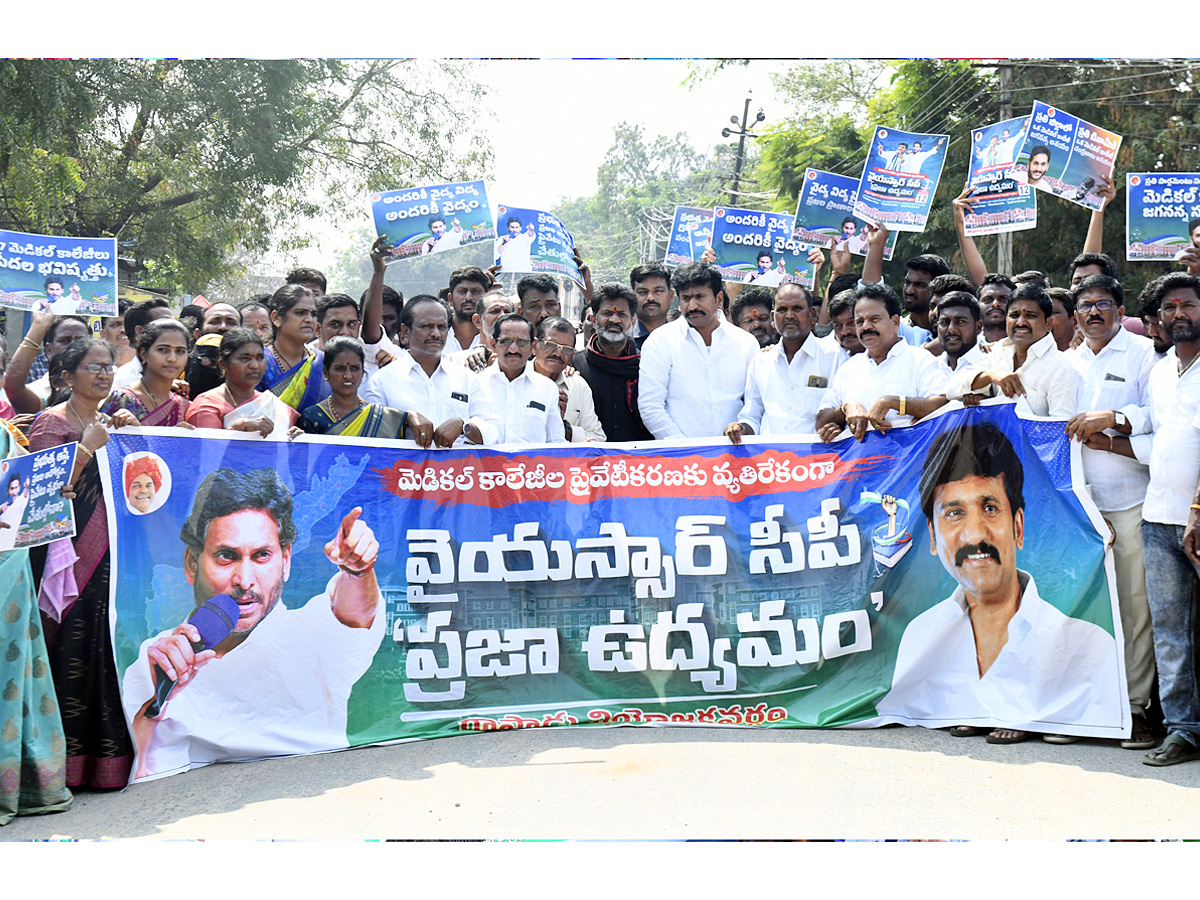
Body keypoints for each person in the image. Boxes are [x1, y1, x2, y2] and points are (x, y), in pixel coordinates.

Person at [123, 467, 384, 778]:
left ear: (285, 561)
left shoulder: (313, 635)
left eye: (261, 555)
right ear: (192, 564)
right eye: (226, 556)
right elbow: (142, 771)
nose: (244, 581)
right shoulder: (154, 660)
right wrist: (156, 706)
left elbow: (353, 615)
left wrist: (357, 570)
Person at [876, 420, 1121, 738]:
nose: (975, 534)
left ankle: (1017, 716)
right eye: (954, 513)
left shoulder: (1087, 643)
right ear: (933, 536)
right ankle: (972, 710)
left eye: (990, 508)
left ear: (1018, 526)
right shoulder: (920, 635)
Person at [1058, 274, 1158, 749]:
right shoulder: (1066, 363)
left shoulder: (1144, 356)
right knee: (1083, 609)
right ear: (1075, 315)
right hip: (1080, 511)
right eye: (1084, 306)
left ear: (1120, 310)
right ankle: (1084, 707)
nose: (1093, 313)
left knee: (1135, 610)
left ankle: (1135, 708)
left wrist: (1112, 423)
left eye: (1102, 304)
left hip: (1132, 504)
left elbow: (1156, 422)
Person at [29, 337, 132, 788]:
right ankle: (65, 767)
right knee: (73, 653)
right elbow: (40, 499)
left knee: (104, 654)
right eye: (93, 367)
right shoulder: (52, 423)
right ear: (67, 377)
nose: (105, 374)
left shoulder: (109, 419)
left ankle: (106, 763)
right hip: (67, 560)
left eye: (109, 367)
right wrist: (88, 447)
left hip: (111, 556)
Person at [0, 413, 72, 825]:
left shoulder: (6, 435)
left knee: (12, 671)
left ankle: (24, 783)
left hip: (8, 570)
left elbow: (24, 495)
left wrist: (51, 495)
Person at [1140, 273, 1200, 766]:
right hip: (1158, 517)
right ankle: (1183, 729)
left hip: (1198, 518)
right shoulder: (1160, 371)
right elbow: (1156, 435)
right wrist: (1109, 426)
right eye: (1170, 307)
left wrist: (1198, 507)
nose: (1179, 313)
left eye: (1188, 304)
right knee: (1170, 630)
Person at [638, 262, 760, 440]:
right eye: (686, 298)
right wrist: (685, 449)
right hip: (681, 459)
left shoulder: (745, 342)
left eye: (700, 297)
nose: (692, 306)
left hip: (736, 455)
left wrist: (743, 429)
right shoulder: (660, 341)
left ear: (719, 299)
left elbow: (754, 404)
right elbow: (650, 405)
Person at [815, 283, 948, 443]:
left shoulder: (920, 360)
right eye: (859, 321)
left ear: (895, 322)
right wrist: (845, 409)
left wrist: (894, 403)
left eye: (874, 319)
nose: (866, 327)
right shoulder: (850, 368)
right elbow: (821, 421)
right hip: (860, 465)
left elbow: (944, 405)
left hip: (909, 464)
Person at [363, 296, 498, 448]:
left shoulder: (466, 378)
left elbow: (492, 432)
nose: (435, 333)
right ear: (406, 332)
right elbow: (370, 431)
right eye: (426, 326)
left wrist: (464, 426)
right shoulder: (382, 380)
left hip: (456, 470)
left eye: (441, 327)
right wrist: (405, 419)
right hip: (402, 469)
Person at [726, 281, 843, 443]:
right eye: (782, 310)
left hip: (821, 461)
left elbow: (845, 411)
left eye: (797, 308)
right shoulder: (761, 362)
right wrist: (741, 429)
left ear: (813, 315)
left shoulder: (835, 356)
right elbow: (752, 416)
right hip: (772, 462)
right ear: (773, 318)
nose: (789, 316)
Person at [948, 284, 1080, 418]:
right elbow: (952, 389)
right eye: (1014, 315)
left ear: (1048, 324)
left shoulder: (1061, 368)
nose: (1021, 322)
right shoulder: (999, 352)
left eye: (1030, 315)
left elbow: (1059, 428)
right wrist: (990, 377)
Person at [293, 336, 432, 444]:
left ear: (362, 372)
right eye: (339, 368)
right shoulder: (311, 417)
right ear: (325, 372)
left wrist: (410, 416)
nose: (348, 376)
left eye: (354, 368)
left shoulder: (382, 417)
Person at [573, 283, 652, 443]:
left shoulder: (646, 366)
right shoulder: (574, 366)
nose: (614, 320)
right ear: (594, 319)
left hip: (638, 462)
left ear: (633, 321)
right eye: (607, 313)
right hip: (589, 462)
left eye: (622, 314)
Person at [187, 328, 295, 438]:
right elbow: (207, 451)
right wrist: (237, 428)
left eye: (260, 358)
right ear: (223, 364)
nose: (255, 365)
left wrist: (297, 438)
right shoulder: (207, 405)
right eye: (244, 358)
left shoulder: (274, 405)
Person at [478, 314, 566, 445]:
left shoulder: (547, 389)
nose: (513, 349)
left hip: (532, 465)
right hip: (485, 464)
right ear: (492, 344)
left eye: (522, 342)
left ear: (533, 345)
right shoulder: (477, 384)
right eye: (506, 341)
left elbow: (556, 443)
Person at [100, 318, 192, 428]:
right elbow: (100, 441)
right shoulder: (123, 400)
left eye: (180, 351)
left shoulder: (183, 406)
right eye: (163, 349)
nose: (172, 358)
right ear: (144, 353)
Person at [532, 316, 604, 442]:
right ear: (534, 346)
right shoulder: (516, 380)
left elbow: (598, 439)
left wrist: (565, 429)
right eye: (551, 345)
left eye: (566, 349)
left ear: (572, 355)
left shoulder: (578, 386)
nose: (558, 353)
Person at [260, 283, 328, 412]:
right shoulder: (259, 361)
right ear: (276, 318)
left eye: (313, 314)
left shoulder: (323, 362)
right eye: (300, 313)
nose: (309, 319)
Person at [6, 310, 91, 413]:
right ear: (49, 350)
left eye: (80, 340)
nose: (73, 345)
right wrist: (38, 326)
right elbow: (13, 388)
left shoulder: (106, 383)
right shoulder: (40, 391)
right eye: (65, 340)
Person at [112, 298, 174, 392]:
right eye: (165, 324)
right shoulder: (120, 382)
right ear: (140, 331)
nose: (174, 329)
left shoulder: (179, 372)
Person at [934, 291, 986, 373]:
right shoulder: (931, 368)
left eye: (961, 322)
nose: (951, 329)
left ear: (978, 327)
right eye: (944, 322)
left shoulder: (991, 365)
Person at [446, 266, 489, 354]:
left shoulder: (495, 337)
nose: (468, 297)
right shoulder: (437, 336)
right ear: (450, 299)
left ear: (486, 298)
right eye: (462, 291)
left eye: (476, 291)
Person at [629, 262, 673, 348]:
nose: (650, 298)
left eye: (658, 291)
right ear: (632, 297)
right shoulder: (623, 345)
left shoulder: (685, 341)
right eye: (642, 292)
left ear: (670, 296)